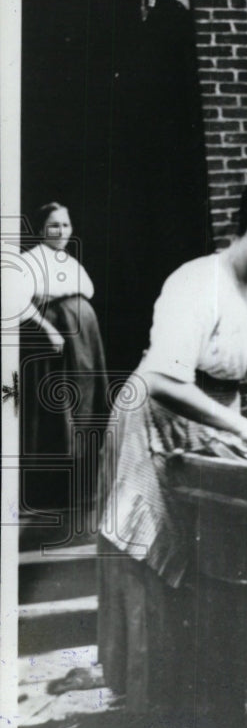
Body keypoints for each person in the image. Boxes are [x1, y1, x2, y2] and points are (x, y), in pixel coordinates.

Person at [97, 175, 247, 713]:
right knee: (162, 552)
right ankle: (157, 706)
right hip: (153, 422)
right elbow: (162, 379)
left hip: (215, 421)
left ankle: (212, 693)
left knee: (216, 549)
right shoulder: (197, 282)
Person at [18, 202, 108, 512]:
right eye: (54, 225)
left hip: (85, 340)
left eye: (66, 225)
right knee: (60, 409)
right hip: (57, 339)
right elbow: (18, 300)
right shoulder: (30, 261)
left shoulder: (69, 261)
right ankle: (55, 496)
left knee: (86, 405)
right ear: (42, 229)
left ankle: (84, 491)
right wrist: (48, 329)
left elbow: (87, 292)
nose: (61, 231)